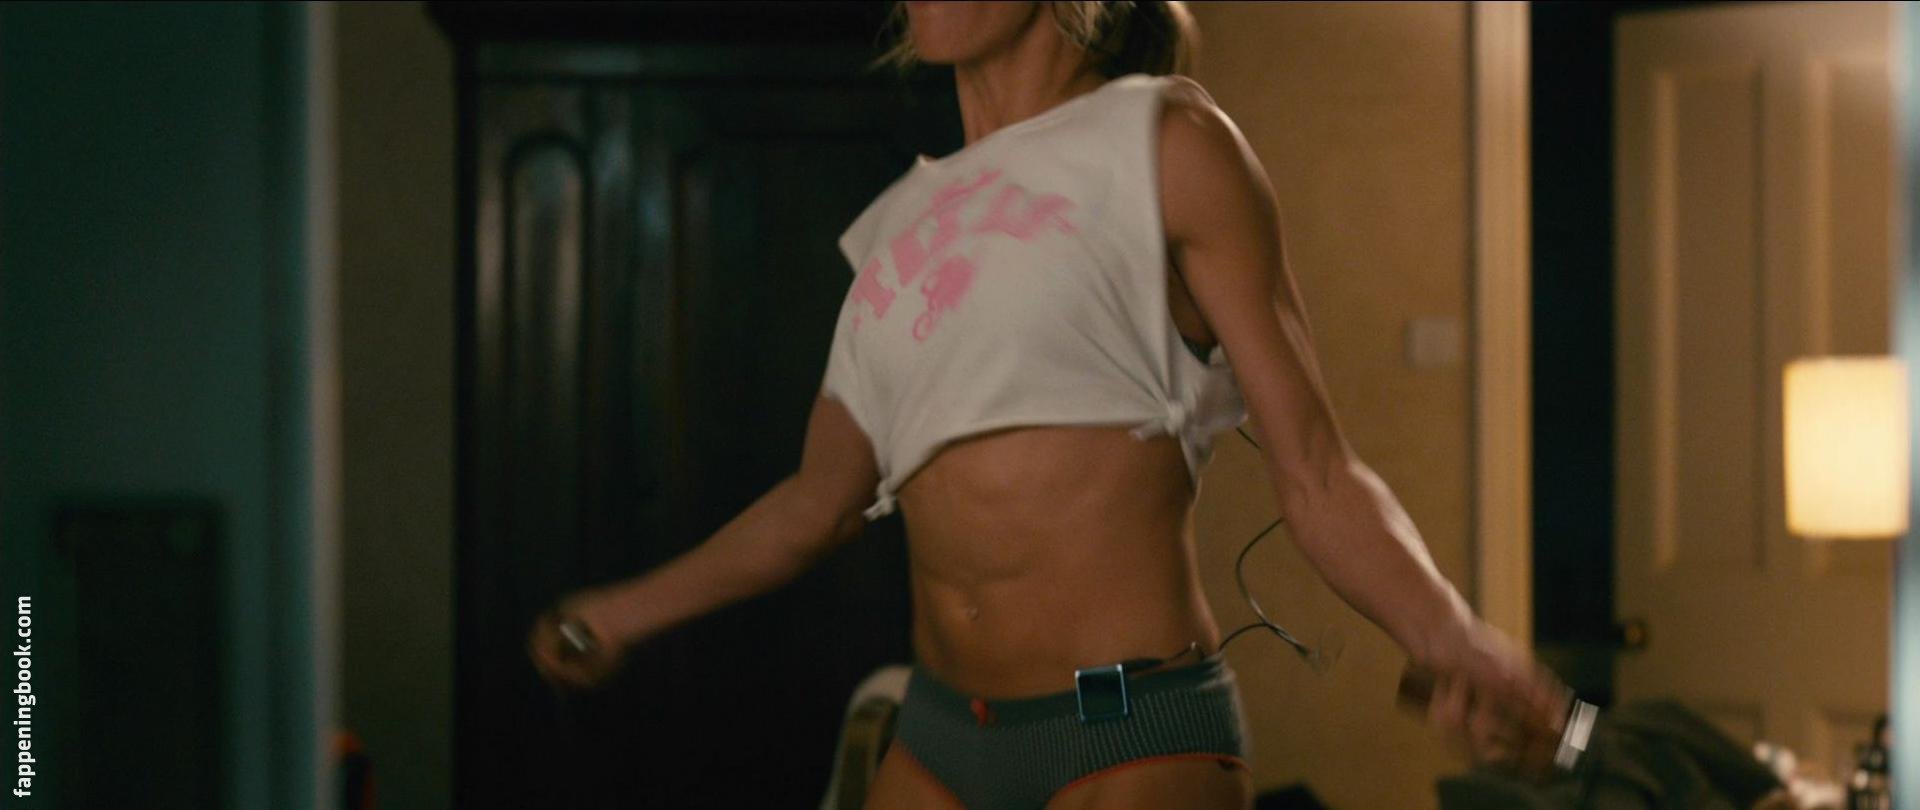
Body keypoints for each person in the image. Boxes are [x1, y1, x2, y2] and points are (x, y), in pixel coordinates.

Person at [528, 2, 1571, 808]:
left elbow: (1318, 470)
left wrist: (1448, 633)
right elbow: (815, 503)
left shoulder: (1166, 141)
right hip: (939, 732)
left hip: (1126, 738)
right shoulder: (896, 224)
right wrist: (618, 614)